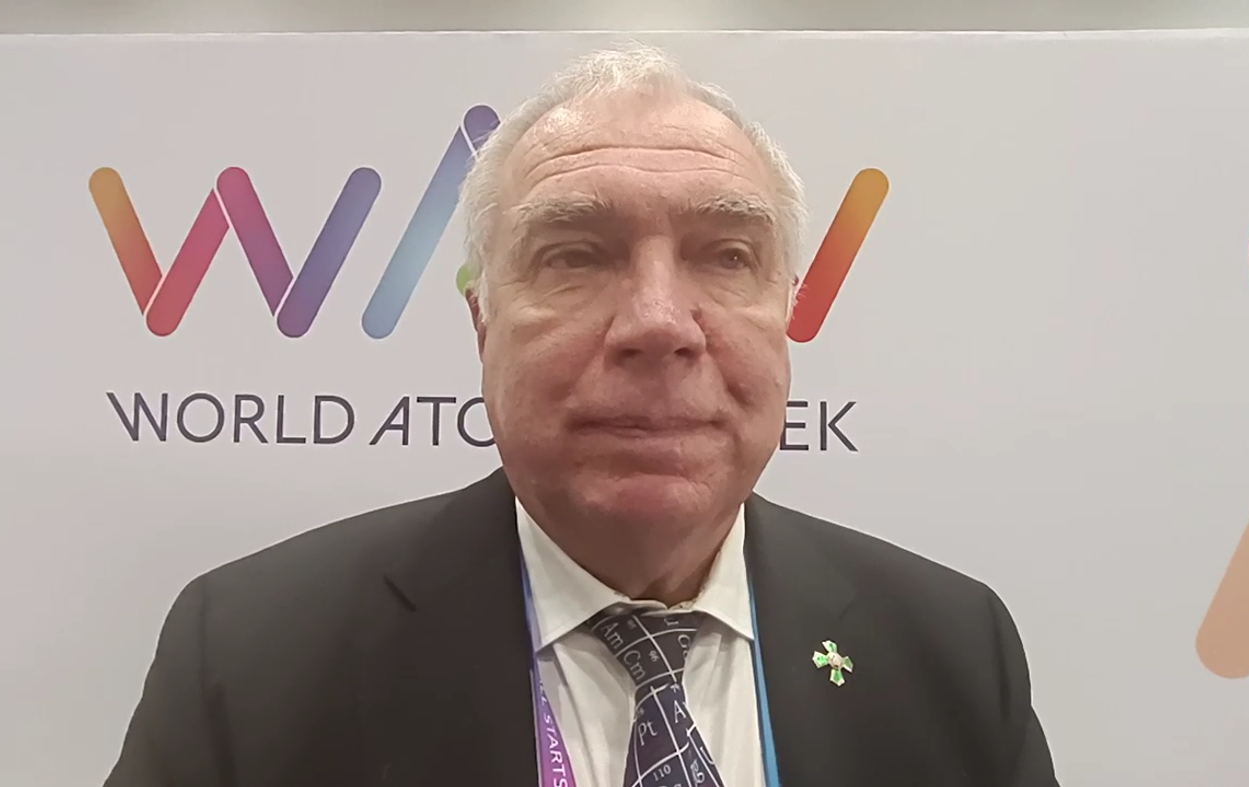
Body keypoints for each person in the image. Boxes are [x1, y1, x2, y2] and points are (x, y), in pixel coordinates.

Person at [103, 43, 1060, 787]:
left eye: (726, 255)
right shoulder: (251, 661)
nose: (658, 323)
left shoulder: (951, 649)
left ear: (786, 313)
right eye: (575, 255)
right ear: (483, 323)